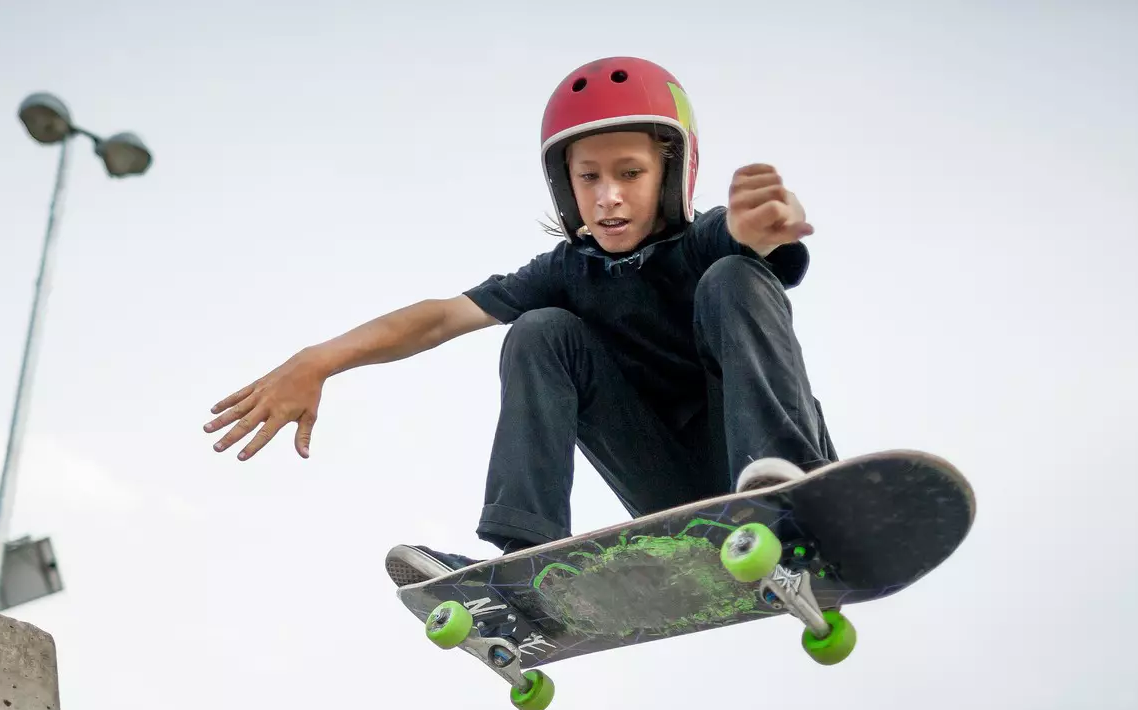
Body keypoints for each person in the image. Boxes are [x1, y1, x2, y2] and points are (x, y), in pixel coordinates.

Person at [205, 55, 836, 585]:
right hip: (679, 494)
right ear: (566, 188)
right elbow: (439, 318)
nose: (607, 195)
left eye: (630, 174)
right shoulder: (564, 271)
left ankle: (788, 491)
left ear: (673, 171)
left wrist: (760, 231)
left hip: (765, 462)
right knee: (539, 328)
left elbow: (747, 238)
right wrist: (319, 359)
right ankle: (526, 564)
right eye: (588, 177)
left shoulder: (702, 240)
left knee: (733, 274)